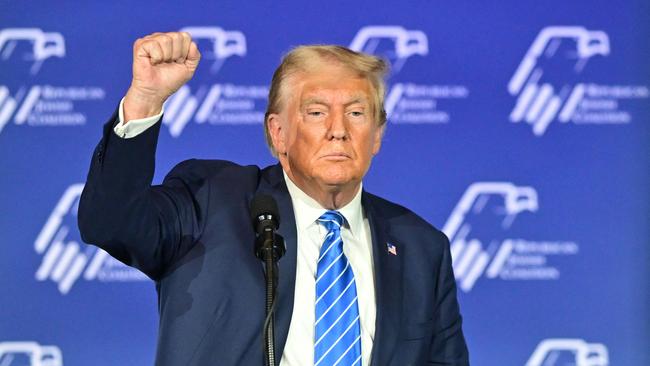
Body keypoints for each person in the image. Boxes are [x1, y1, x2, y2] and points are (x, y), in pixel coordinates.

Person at [78, 31, 469, 366]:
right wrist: (145, 99)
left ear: (378, 134)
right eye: (316, 112)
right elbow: (111, 222)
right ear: (278, 133)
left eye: (356, 112)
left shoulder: (421, 248)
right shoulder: (211, 198)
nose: (338, 130)